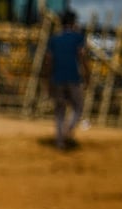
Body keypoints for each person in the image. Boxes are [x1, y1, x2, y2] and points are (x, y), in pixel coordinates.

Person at [42, 10, 89, 150]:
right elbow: (82, 57)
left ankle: (59, 141)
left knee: (59, 110)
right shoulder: (78, 38)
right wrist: (88, 75)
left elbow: (48, 61)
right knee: (78, 107)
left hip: (56, 78)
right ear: (73, 23)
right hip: (73, 78)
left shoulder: (54, 39)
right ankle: (69, 128)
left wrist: (47, 79)